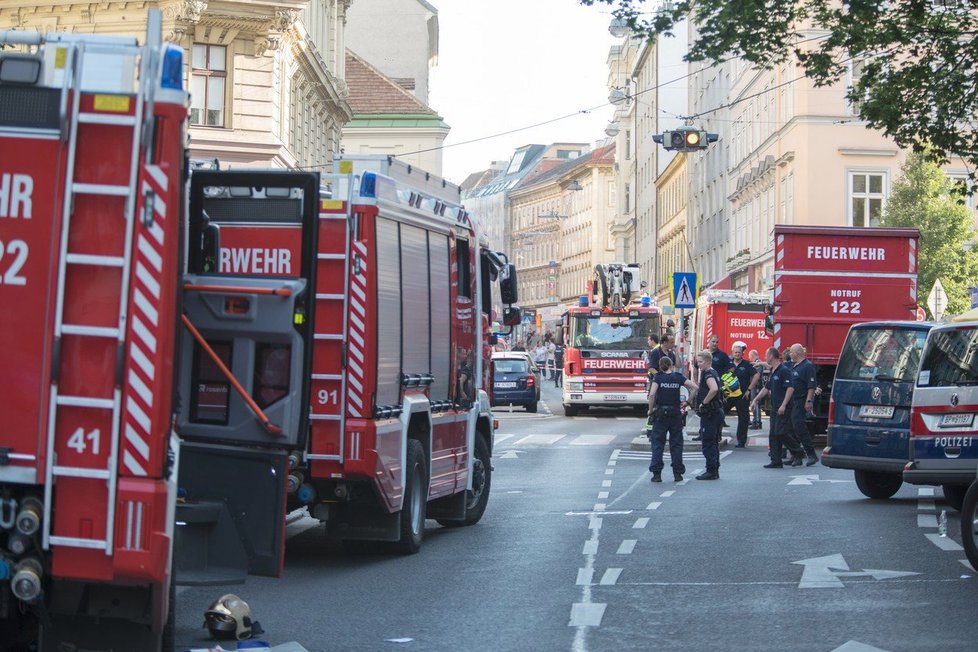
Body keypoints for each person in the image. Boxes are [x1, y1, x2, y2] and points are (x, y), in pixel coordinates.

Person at [646, 356, 699, 483]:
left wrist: (650, 409)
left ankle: (657, 474)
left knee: (658, 443)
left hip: (660, 413)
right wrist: (688, 401)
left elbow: (652, 394)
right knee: (676, 444)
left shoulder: (658, 377)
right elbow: (695, 387)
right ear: (671, 365)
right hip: (675, 413)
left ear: (660, 366)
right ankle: (677, 474)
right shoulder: (678, 377)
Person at [751, 347, 804, 468]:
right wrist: (755, 399)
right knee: (773, 434)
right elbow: (766, 388)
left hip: (783, 407)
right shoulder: (773, 371)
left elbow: (790, 388)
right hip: (774, 407)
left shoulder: (783, 370)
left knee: (780, 432)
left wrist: (784, 405)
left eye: (766, 355)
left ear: (771, 356)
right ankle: (776, 460)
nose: (765, 357)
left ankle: (798, 451)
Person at [784, 343, 819, 466]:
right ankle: (796, 456)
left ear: (798, 353)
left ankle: (811, 454)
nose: (790, 354)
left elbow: (811, 386)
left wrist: (808, 401)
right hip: (792, 401)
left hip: (801, 400)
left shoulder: (807, 366)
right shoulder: (795, 366)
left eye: (792, 352)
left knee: (800, 427)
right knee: (791, 428)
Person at [693, 350, 723, 480]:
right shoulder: (713, 372)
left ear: (707, 361)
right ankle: (714, 469)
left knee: (708, 443)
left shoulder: (708, 374)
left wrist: (703, 403)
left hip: (710, 414)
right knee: (714, 442)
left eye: (700, 362)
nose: (698, 365)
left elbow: (714, 389)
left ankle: (711, 471)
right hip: (715, 412)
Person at [729, 341, 760, 447]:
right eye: (735, 352)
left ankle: (741, 441)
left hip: (742, 395)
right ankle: (716, 436)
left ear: (742, 353)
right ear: (732, 353)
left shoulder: (746, 365)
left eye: (739, 352)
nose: (737, 354)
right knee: (719, 414)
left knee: (743, 418)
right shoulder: (728, 364)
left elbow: (756, 375)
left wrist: (749, 389)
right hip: (728, 395)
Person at [748, 349, 764, 429]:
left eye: (749, 356)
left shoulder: (758, 363)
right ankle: (756, 421)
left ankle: (757, 422)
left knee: (756, 403)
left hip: (756, 386)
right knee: (755, 403)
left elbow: (757, 376)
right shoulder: (758, 362)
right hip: (755, 386)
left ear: (752, 355)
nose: (749, 358)